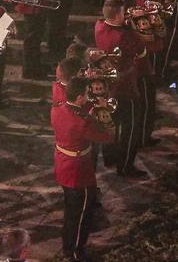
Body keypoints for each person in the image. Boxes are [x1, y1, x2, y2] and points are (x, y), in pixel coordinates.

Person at [52, 77, 113, 261]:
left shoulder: (57, 109)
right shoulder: (82, 122)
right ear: (79, 97)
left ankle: (66, 245)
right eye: (86, 95)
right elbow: (108, 136)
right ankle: (76, 251)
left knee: (70, 210)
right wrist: (104, 110)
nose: (88, 97)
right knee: (81, 216)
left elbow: (76, 112)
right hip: (79, 171)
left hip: (62, 164)